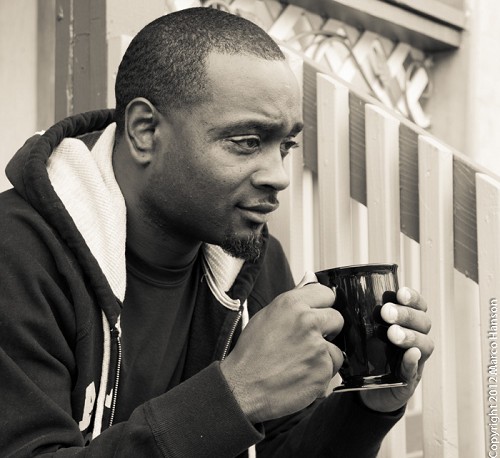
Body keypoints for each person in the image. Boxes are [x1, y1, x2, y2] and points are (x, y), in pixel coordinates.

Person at [0, 7, 433, 457]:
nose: (279, 175)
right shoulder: (18, 253)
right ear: (145, 131)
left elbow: (278, 447)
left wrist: (366, 410)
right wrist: (236, 393)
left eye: (285, 146)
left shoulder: (253, 261)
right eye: (247, 142)